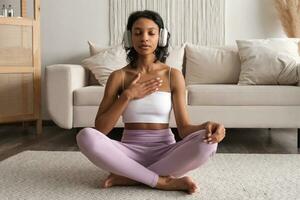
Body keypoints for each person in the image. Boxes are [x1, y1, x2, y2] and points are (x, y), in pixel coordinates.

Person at [76, 10, 226, 194]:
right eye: (138, 33)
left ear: (161, 37)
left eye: (151, 33)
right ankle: (160, 181)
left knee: (207, 143)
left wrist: (207, 126)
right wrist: (127, 95)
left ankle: (131, 176)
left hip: (165, 152)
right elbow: (100, 129)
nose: (144, 38)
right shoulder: (118, 77)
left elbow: (184, 129)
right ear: (129, 37)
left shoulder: (173, 75)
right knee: (85, 136)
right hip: (128, 152)